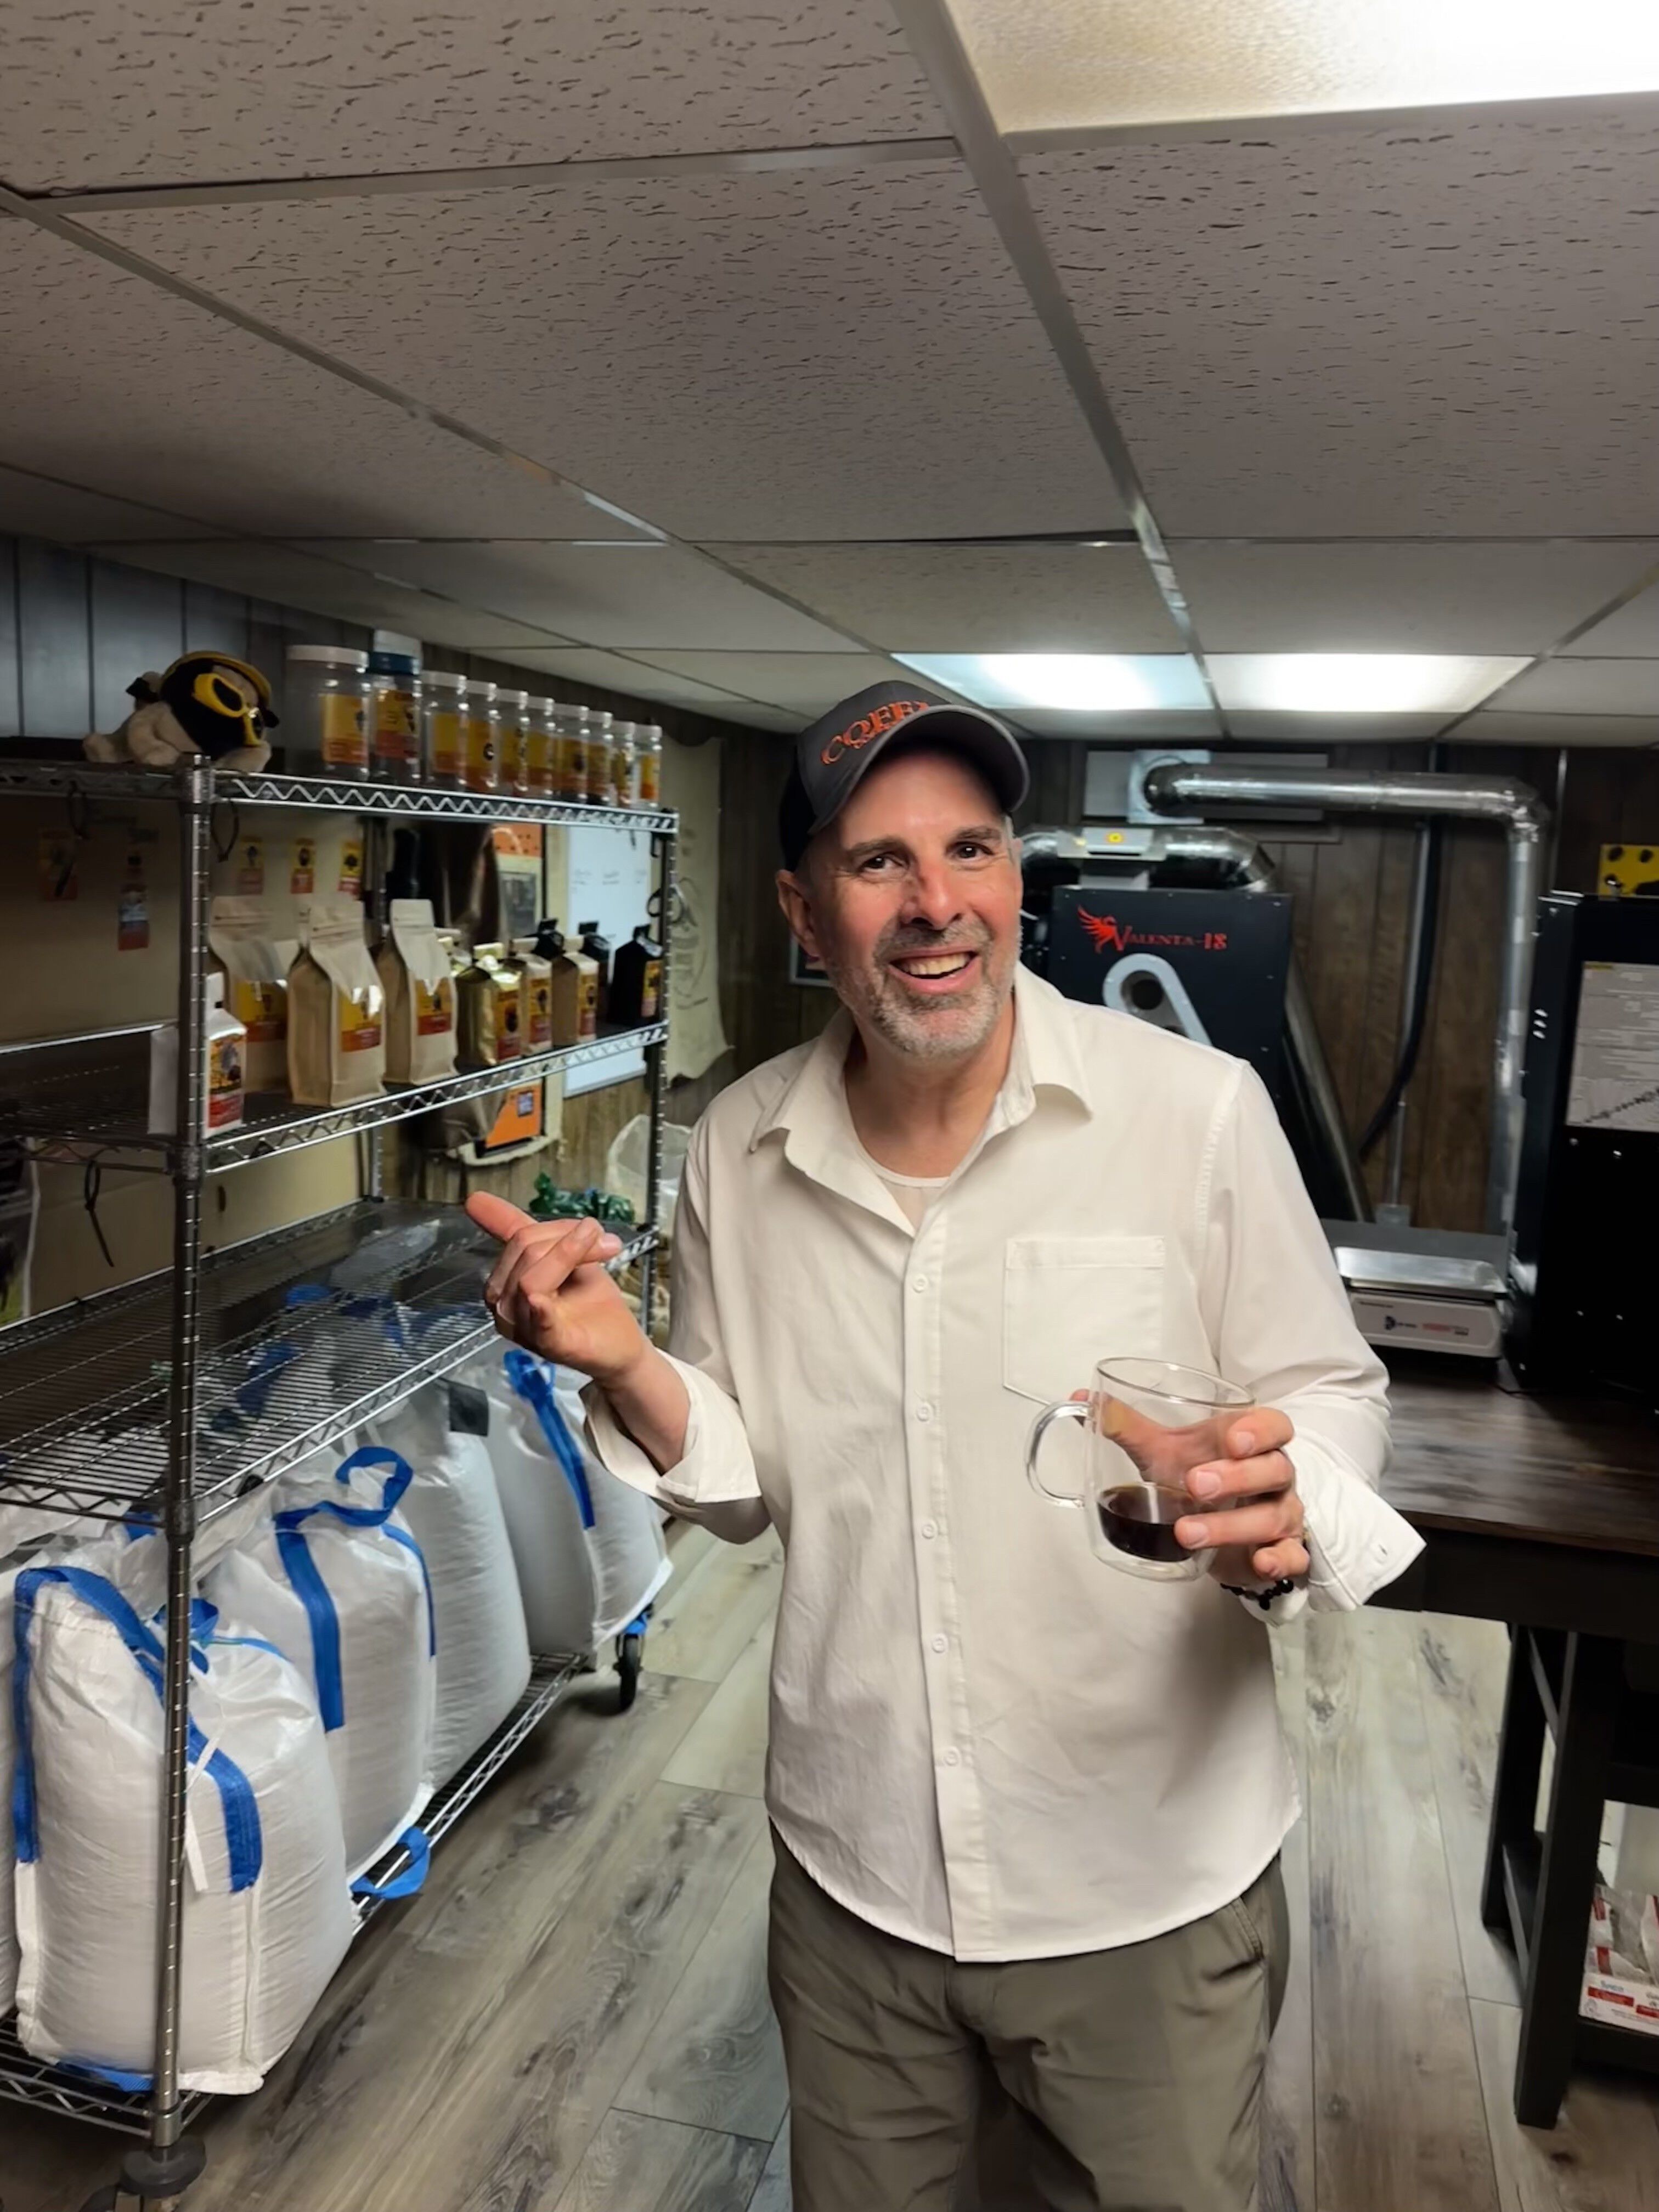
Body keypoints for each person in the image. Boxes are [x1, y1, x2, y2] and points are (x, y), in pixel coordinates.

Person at [467, 682, 1424, 2212]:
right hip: (859, 1892)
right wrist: (634, 1365)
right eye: (878, 864)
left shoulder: (1191, 1113)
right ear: (802, 907)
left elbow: (1329, 1387)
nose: (938, 906)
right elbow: (751, 1480)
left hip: (1143, 1890)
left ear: (1015, 875)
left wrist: (1278, 1486)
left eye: (971, 850)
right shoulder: (744, 1146)